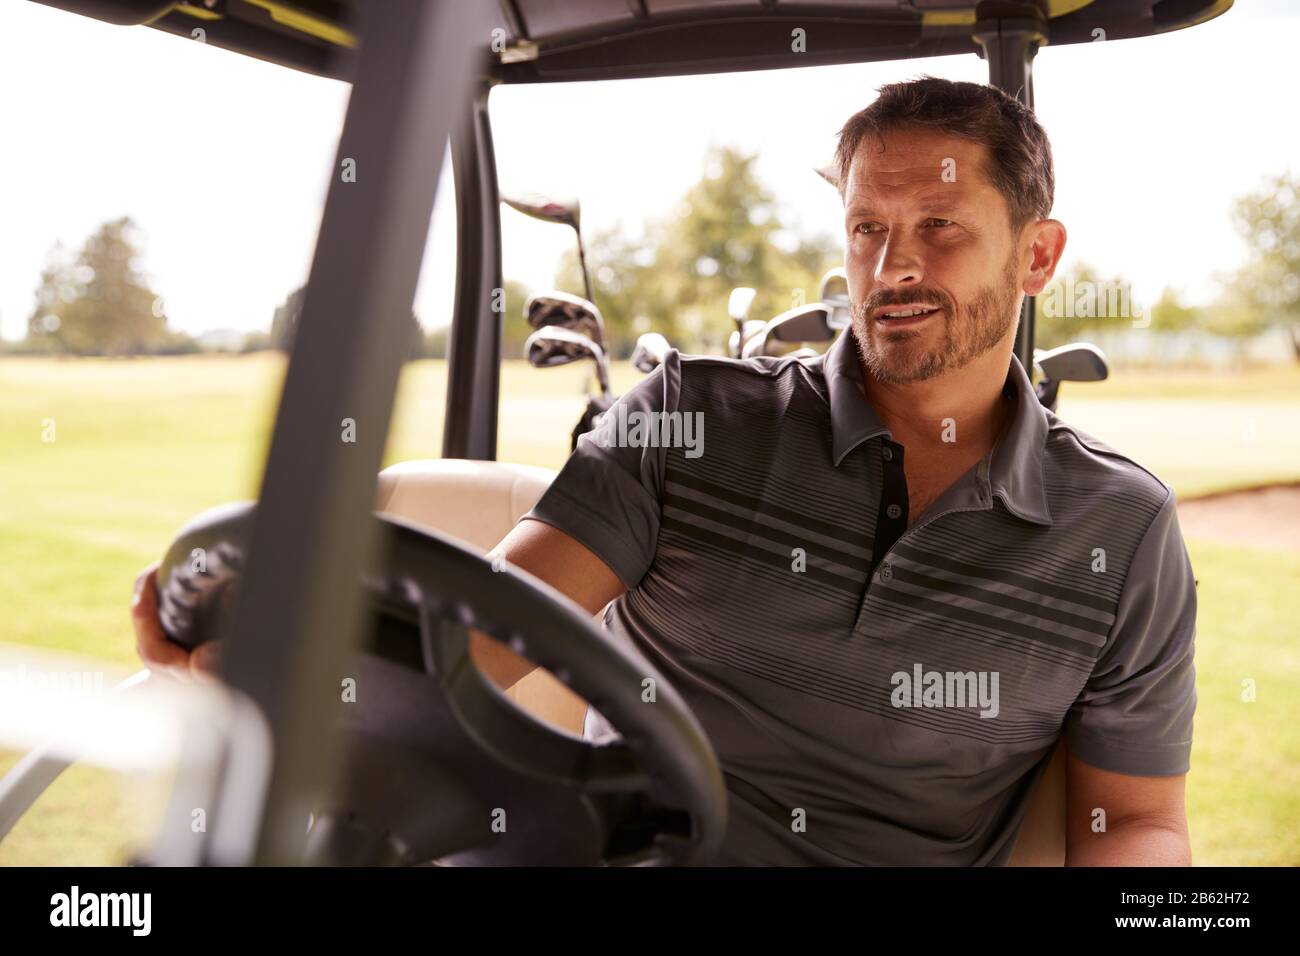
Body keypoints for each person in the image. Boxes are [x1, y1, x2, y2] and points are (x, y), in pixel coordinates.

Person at [134, 76, 1197, 866]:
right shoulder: (688, 418)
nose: (892, 268)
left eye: (939, 230)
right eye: (868, 227)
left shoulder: (1119, 526)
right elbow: (484, 641)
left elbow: (1136, 819)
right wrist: (260, 676)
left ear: (1039, 254)